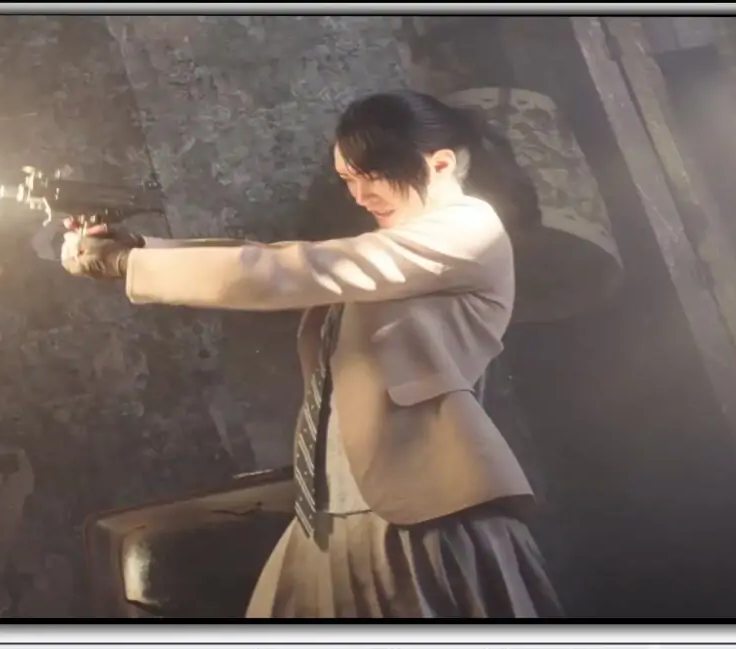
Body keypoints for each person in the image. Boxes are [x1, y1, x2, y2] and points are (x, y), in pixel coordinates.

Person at [60, 90, 562, 618]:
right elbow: (278, 260)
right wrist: (140, 250)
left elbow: (297, 270)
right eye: (347, 178)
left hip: (423, 505)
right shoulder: (399, 246)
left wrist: (126, 264)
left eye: (373, 177)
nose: (360, 196)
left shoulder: (470, 227)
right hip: (335, 506)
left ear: (440, 165)